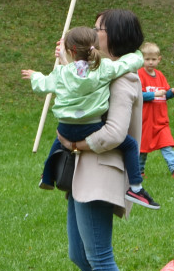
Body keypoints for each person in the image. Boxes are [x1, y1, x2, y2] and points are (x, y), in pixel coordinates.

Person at [56, 9, 146, 271]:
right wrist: (66, 59)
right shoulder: (102, 72)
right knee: (79, 254)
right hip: (84, 172)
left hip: (101, 171)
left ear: (115, 36)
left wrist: (77, 145)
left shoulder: (124, 79)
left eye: (99, 29)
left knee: (99, 255)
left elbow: (115, 134)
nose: (93, 33)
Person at [23, 27, 158, 210]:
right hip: (91, 127)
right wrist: (135, 53)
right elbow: (129, 63)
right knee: (130, 145)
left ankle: (47, 177)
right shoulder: (104, 69)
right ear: (94, 48)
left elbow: (42, 85)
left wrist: (34, 75)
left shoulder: (62, 73)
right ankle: (136, 187)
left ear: (71, 51)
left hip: (65, 127)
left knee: (60, 141)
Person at [137, 42, 174, 178]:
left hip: (161, 120)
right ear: (141, 59)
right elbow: (137, 95)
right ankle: (139, 171)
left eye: (153, 59)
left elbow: (164, 94)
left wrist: (172, 93)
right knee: (143, 148)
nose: (150, 62)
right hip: (146, 120)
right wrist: (153, 94)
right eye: (147, 59)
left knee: (166, 144)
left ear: (159, 59)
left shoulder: (160, 75)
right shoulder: (139, 75)